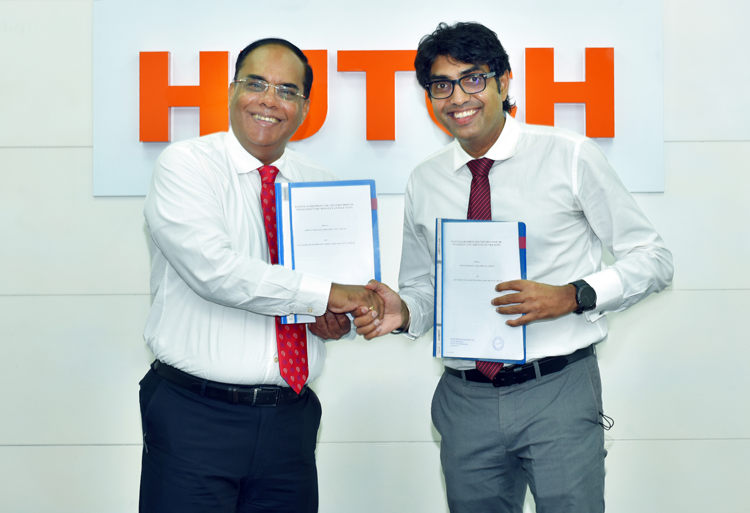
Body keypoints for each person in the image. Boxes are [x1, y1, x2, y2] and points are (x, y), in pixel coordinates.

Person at [354, 22, 673, 513]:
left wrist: (572, 295)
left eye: (473, 78)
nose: (458, 97)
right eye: (441, 85)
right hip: (465, 400)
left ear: (504, 81)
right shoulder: (425, 180)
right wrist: (406, 311)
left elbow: (653, 259)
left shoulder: (568, 156)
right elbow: (424, 289)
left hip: (557, 390)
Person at [138, 38, 383, 513]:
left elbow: (336, 299)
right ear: (232, 91)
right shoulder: (186, 165)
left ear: (305, 108)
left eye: (287, 91)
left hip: (290, 420)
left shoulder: (322, 184)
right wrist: (327, 294)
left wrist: (336, 320)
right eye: (256, 84)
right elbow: (215, 271)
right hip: (195, 416)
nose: (270, 100)